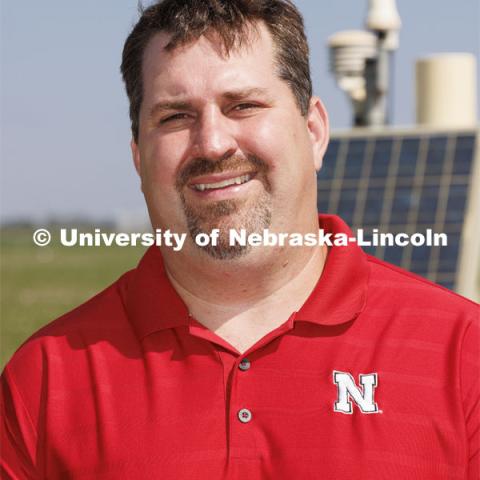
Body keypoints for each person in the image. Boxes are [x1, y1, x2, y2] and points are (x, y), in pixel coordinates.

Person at [1, 0, 478, 478]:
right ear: (138, 157)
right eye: (174, 117)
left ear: (314, 131)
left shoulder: (463, 354)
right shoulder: (44, 380)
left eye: (244, 105)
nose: (212, 143)